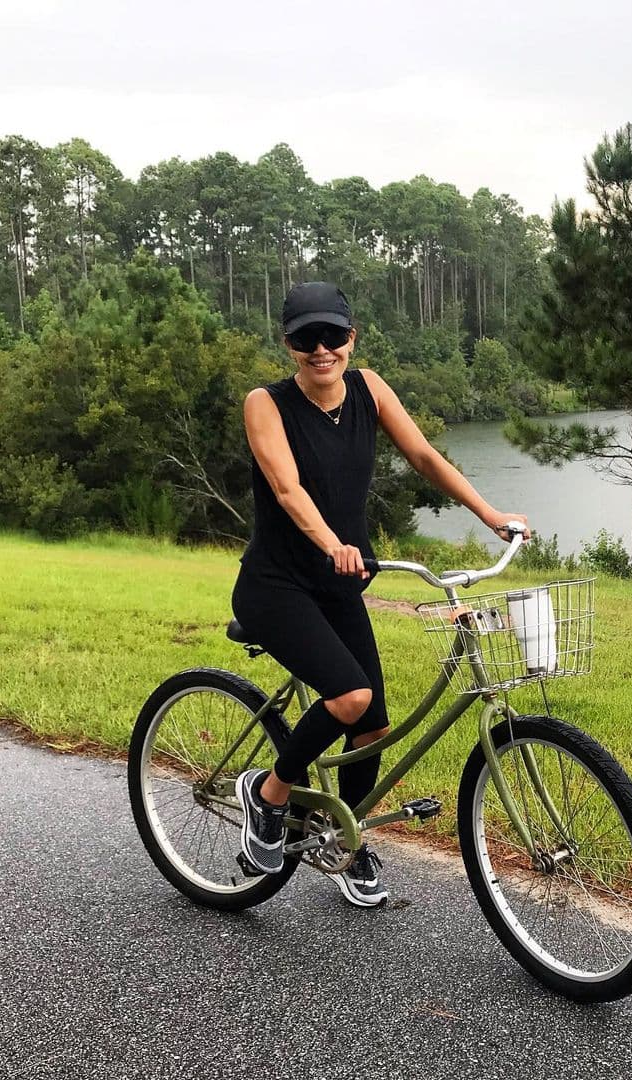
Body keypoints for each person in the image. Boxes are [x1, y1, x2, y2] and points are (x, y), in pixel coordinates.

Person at [232, 281, 528, 907]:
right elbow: (287, 490)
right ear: (288, 344)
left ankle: (346, 837)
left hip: (341, 582)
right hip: (276, 585)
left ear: (351, 337)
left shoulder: (369, 388)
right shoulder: (266, 403)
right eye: (306, 338)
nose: (321, 349)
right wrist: (330, 540)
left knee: (372, 729)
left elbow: (422, 454)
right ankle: (268, 794)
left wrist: (489, 514)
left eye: (332, 336)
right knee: (351, 697)